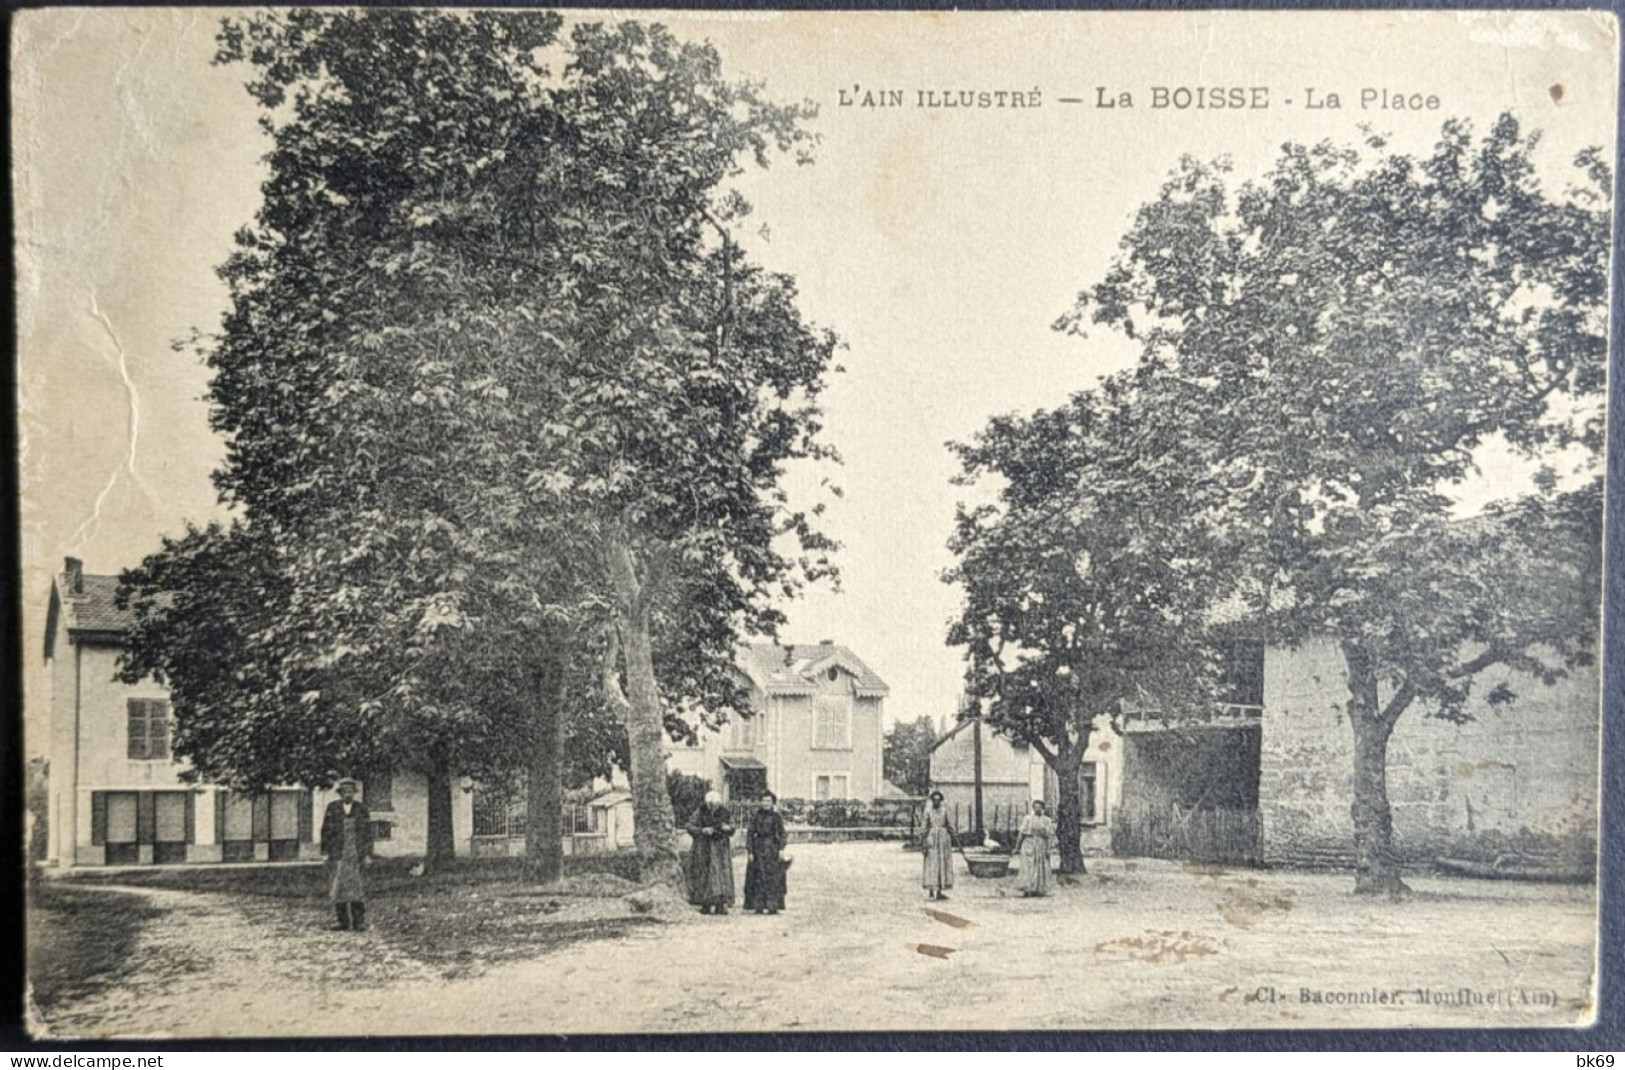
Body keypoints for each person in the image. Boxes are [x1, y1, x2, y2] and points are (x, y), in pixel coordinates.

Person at [320, 778, 374, 931]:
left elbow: (367, 834)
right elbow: (326, 832)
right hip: (338, 852)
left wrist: (368, 854)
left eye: (350, 791)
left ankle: (359, 921)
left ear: (354, 793)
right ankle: (342, 921)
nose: (347, 794)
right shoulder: (333, 808)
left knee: (357, 887)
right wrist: (325, 852)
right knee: (339, 886)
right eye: (344, 792)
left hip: (356, 852)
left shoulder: (361, 809)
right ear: (340, 793)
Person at [684, 790, 736, 915]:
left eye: (715, 805)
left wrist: (727, 828)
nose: (712, 807)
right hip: (703, 848)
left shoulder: (724, 812)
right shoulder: (700, 811)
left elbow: (732, 826)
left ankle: (721, 905)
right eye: (710, 805)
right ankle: (705, 904)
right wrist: (702, 830)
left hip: (721, 850)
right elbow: (689, 826)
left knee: (722, 875)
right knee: (704, 875)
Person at [743, 793, 788, 915]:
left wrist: (781, 848)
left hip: (772, 849)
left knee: (773, 878)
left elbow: (783, 833)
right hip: (758, 849)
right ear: (760, 802)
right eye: (764, 801)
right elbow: (750, 834)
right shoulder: (756, 816)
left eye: (768, 801)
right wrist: (750, 851)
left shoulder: (777, 817)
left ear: (772, 803)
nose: (766, 803)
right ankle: (758, 906)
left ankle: (772, 906)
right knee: (757, 878)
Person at [1016, 799, 1055, 897]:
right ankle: (1027, 888)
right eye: (1035, 807)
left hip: (1041, 844)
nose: (1037, 809)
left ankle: (1039, 888)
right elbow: (1021, 833)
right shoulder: (1027, 819)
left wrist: (1048, 848)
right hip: (1029, 844)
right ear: (1033, 808)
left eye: (1040, 807)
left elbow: (1049, 836)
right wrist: (1017, 846)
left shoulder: (1047, 820)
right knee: (1028, 866)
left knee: (1040, 866)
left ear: (1043, 808)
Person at [921, 790, 956, 900]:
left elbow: (950, 824)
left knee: (941, 864)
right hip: (931, 838)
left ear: (940, 801)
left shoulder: (945, 811)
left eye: (938, 800)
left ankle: (939, 892)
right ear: (932, 801)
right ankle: (931, 891)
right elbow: (924, 826)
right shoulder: (928, 811)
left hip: (943, 840)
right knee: (931, 864)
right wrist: (923, 839)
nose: (936, 802)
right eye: (934, 800)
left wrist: (953, 833)